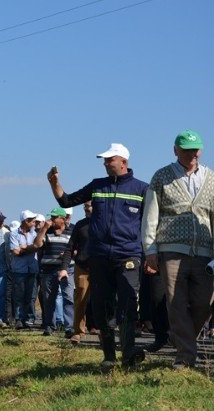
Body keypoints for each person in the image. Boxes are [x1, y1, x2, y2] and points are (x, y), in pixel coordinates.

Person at [48, 143, 148, 367]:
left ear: (123, 161)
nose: (105, 163)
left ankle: (129, 352)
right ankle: (110, 356)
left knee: (129, 302)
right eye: (104, 160)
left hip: (129, 254)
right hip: (100, 256)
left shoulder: (142, 189)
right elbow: (66, 201)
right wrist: (54, 184)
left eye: (109, 159)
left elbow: (151, 223)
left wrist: (151, 253)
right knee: (103, 306)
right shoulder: (97, 186)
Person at [142, 130, 214, 368]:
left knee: (205, 302)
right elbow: (150, 216)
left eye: (195, 150)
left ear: (201, 150)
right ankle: (185, 357)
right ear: (176, 150)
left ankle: (181, 337)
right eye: (186, 150)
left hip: (204, 253)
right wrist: (150, 250)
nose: (192, 154)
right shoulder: (161, 177)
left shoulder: (211, 178)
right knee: (176, 303)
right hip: (171, 250)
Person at [34, 207, 74, 338]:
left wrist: (70, 254)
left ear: (62, 219)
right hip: (48, 269)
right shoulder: (46, 230)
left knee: (68, 297)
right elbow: (37, 244)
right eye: (51, 217)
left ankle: (69, 327)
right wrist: (44, 228)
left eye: (54, 217)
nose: (51, 219)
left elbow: (78, 249)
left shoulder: (72, 230)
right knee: (49, 298)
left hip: (67, 268)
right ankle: (50, 326)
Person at [62, 201, 98, 344]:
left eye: (88, 206)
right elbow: (70, 247)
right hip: (82, 267)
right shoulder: (80, 225)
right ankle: (78, 332)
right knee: (81, 297)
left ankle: (101, 329)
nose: (86, 209)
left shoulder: (105, 222)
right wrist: (64, 267)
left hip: (101, 268)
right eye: (85, 207)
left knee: (101, 299)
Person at [9, 210, 39, 329]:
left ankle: (29, 318)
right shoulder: (14, 234)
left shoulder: (34, 234)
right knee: (19, 296)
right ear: (26, 221)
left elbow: (38, 247)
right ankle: (19, 319)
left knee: (30, 295)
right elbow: (15, 251)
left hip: (32, 268)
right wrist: (31, 248)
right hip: (19, 270)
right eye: (32, 220)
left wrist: (25, 248)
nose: (34, 222)